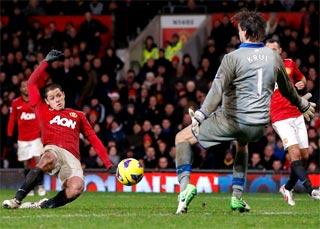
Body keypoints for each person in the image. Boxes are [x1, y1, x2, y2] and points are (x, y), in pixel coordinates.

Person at [174, 10, 316, 214]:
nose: (238, 33)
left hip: (231, 121)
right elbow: (288, 90)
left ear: (245, 32)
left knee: (182, 138)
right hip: (258, 127)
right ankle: (237, 197)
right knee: (241, 145)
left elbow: (216, 90)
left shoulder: (231, 58)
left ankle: (185, 187)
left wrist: (201, 114)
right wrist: (302, 105)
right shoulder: (274, 57)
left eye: (239, 29)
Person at [3, 50, 113, 209]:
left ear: (64, 95)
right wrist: (45, 62)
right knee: (48, 157)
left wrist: (108, 164)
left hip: (72, 158)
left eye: (59, 95)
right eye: (52, 98)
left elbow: (93, 138)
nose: (57, 100)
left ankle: (43, 204)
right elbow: (31, 83)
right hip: (53, 149)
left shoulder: (78, 115)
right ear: (47, 101)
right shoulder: (41, 109)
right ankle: (16, 200)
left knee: (76, 189)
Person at [266, 39, 320, 205]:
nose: (272, 52)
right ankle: (311, 189)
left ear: (280, 50)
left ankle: (287, 188)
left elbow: (302, 78)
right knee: (294, 153)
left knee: (304, 156)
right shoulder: (262, 70)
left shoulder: (289, 63)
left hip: (296, 113)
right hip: (279, 116)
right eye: (269, 50)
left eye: (275, 49)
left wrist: (302, 82)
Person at [7, 79, 46, 197]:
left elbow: (43, 118)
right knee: (27, 165)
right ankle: (29, 187)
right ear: (20, 89)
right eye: (23, 87)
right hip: (22, 139)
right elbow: (12, 120)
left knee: (39, 162)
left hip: (36, 137)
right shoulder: (15, 103)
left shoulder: (37, 101)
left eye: (27, 86)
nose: (25, 89)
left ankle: (40, 185)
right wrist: (9, 136)